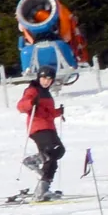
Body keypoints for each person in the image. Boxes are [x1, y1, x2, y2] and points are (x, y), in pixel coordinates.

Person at [15, 66, 67, 201]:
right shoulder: (32, 90)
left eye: (49, 79)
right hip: (37, 127)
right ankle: (32, 162)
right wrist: (30, 102)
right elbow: (21, 106)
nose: (46, 81)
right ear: (39, 77)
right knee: (54, 150)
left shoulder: (46, 93)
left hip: (48, 127)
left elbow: (46, 113)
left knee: (55, 156)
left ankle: (42, 189)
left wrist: (57, 112)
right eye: (44, 78)